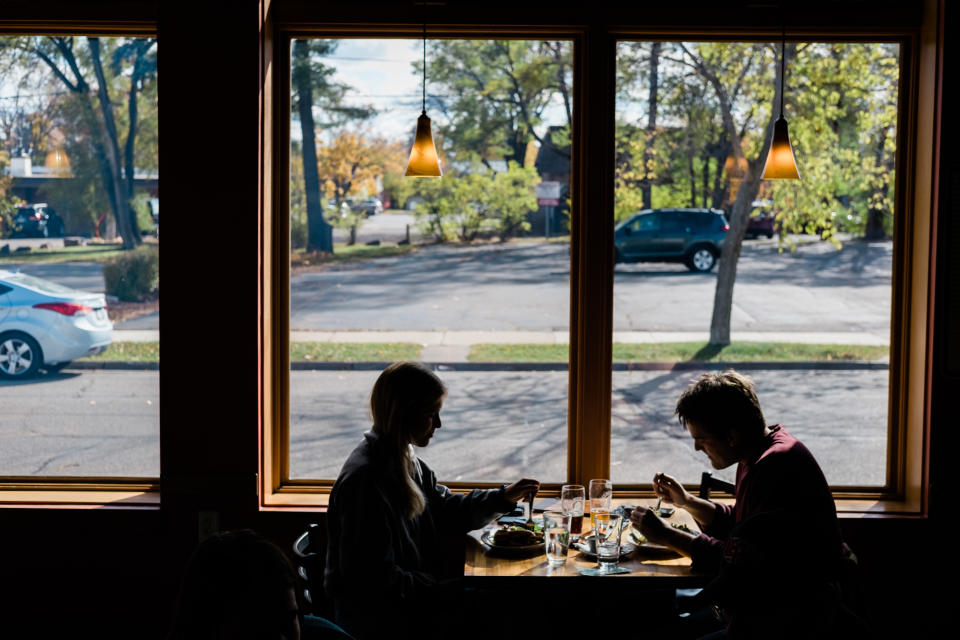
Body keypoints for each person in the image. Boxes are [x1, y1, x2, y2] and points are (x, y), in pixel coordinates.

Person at [324, 361, 540, 640]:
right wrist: (440, 587)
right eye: (430, 414)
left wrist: (503, 496)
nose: (438, 424)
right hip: (385, 621)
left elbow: (446, 510)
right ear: (402, 414)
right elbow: (373, 580)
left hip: (408, 601)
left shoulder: (401, 458)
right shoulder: (367, 482)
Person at [629, 371, 846, 639]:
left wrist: (666, 535)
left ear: (731, 436)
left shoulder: (773, 467)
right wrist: (687, 502)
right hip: (762, 606)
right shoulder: (759, 452)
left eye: (701, 438)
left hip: (789, 621)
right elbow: (743, 525)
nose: (697, 448)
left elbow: (735, 562)